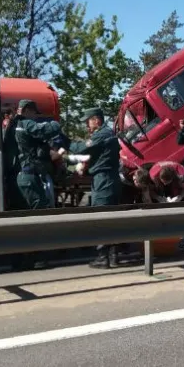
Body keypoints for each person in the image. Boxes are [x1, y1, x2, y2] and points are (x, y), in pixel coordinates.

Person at [65, 107, 124, 269]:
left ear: (97, 120)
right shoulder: (105, 134)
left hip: (104, 180)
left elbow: (81, 148)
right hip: (107, 178)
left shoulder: (102, 134)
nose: (86, 124)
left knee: (102, 218)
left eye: (88, 121)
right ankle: (112, 255)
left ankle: (103, 257)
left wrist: (64, 141)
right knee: (110, 218)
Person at [14, 100, 66, 210]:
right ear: (27, 110)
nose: (35, 117)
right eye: (34, 113)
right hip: (29, 174)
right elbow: (45, 129)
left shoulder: (13, 124)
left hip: (22, 175)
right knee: (40, 210)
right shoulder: (25, 123)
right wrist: (55, 123)